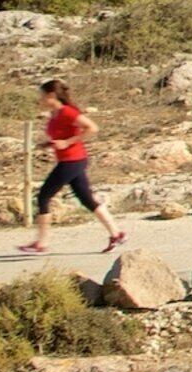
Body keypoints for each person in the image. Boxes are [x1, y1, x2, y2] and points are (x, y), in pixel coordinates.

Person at [23, 78, 125, 253]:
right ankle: (116, 233)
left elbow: (92, 128)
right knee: (87, 199)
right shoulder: (54, 115)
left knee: (44, 196)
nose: (40, 99)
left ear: (52, 95)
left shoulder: (68, 112)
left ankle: (41, 242)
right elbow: (61, 136)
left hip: (73, 160)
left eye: (42, 96)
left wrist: (68, 142)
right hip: (68, 160)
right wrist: (51, 144)